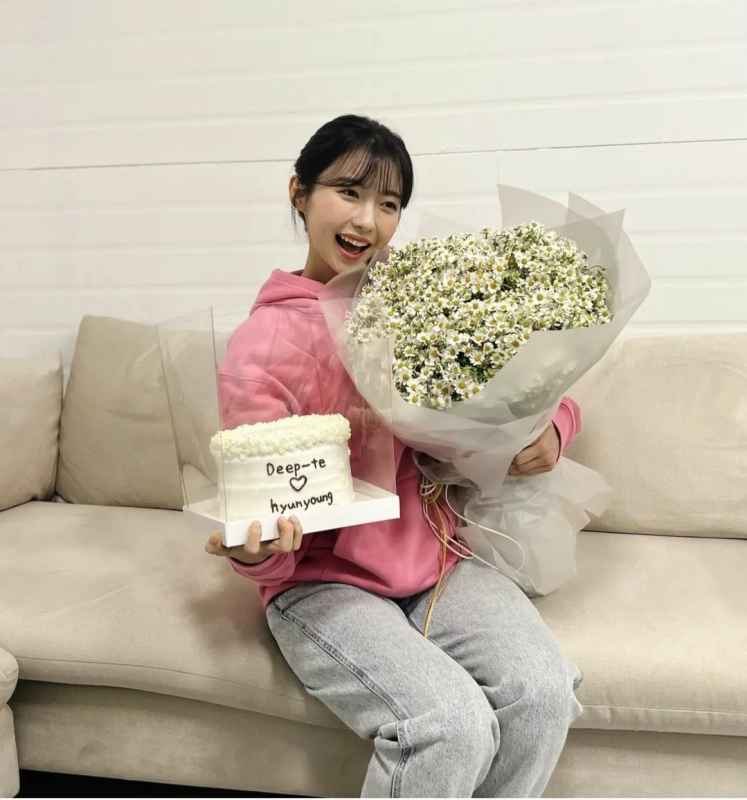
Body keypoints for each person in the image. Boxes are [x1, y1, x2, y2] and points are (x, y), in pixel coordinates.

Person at [205, 114, 584, 798]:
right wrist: (257, 552)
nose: (367, 221)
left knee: (543, 693)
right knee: (450, 726)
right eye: (348, 192)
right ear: (299, 193)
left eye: (388, 203)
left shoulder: (420, 302)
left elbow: (531, 382)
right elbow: (263, 513)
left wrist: (553, 428)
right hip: (323, 582)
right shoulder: (262, 344)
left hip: (437, 562)